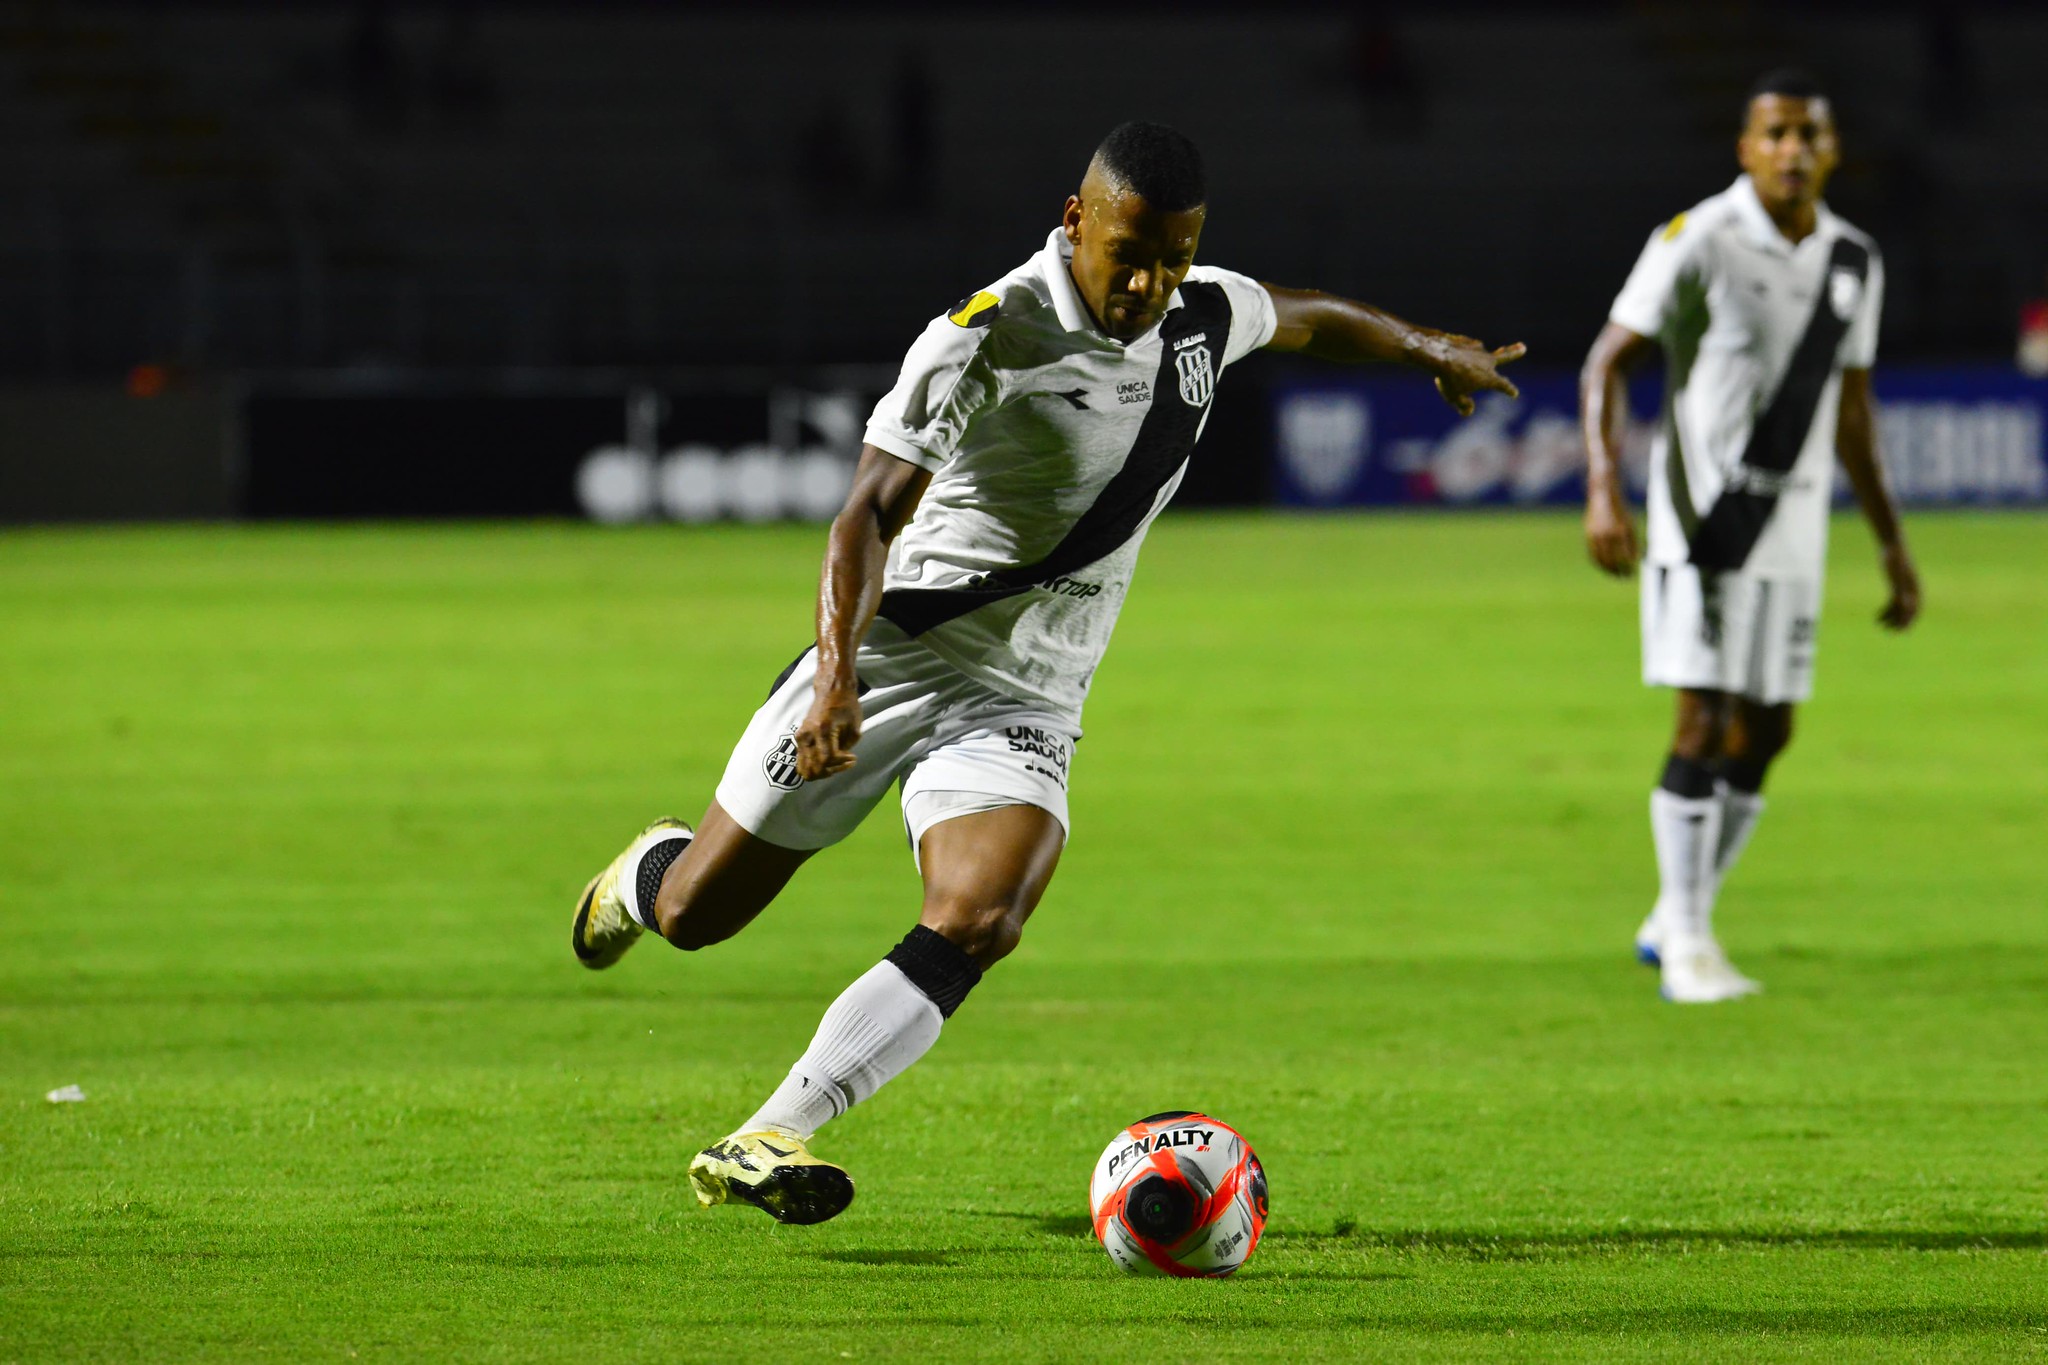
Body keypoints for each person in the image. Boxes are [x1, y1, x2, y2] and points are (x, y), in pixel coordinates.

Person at [572, 121, 1524, 1224]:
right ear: (1076, 221)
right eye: (1130, 255)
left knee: (981, 916)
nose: (1150, 284)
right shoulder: (986, 334)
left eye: (1173, 258)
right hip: (893, 654)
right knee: (696, 914)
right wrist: (833, 680)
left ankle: (769, 1132)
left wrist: (1423, 345)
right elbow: (865, 515)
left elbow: (1303, 316)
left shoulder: (1200, 314)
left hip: (1024, 694)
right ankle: (645, 874)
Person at [1579, 70, 1921, 1005]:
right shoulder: (1699, 239)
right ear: (1746, 148)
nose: (1793, 149)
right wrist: (1605, 490)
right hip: (1705, 523)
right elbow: (1608, 360)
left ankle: (1675, 915)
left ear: (1833, 150)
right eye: (1776, 133)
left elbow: (1853, 412)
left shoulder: (1853, 259)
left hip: (1796, 526)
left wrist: (1891, 544)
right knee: (1704, 718)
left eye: (1810, 134)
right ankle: (1689, 943)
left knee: (1769, 728)